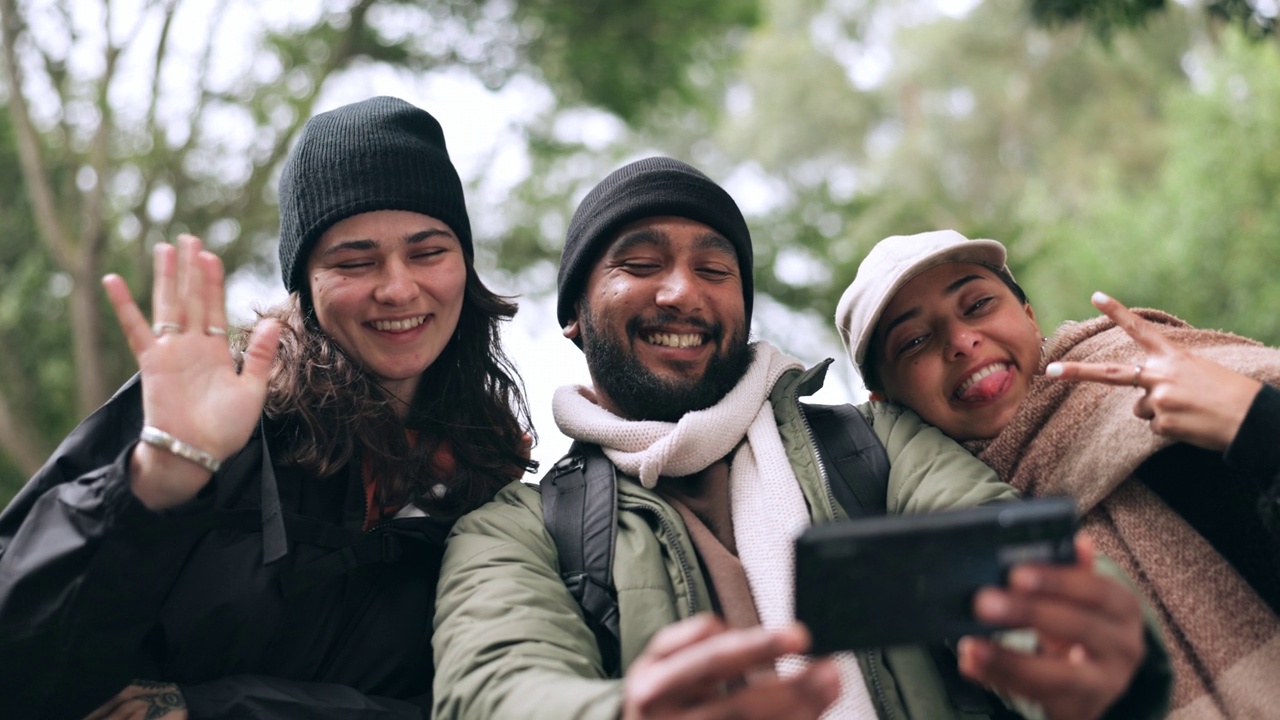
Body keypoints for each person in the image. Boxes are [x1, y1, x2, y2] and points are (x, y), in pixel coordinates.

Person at [433, 158, 1172, 720]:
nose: (683, 291)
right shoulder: (515, 531)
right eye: (641, 263)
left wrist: (1094, 660)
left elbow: (1005, 574)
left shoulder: (878, 444)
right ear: (573, 316)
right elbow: (497, 685)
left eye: (714, 269)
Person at [0, 96, 535, 719]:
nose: (396, 288)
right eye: (353, 261)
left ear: (464, 267)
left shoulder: (488, 478)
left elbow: (475, 704)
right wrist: (153, 484)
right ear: (303, 284)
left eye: (428, 252)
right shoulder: (202, 410)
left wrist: (227, 708)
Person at [835, 228, 1280, 717]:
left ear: (1029, 317)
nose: (962, 341)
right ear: (887, 402)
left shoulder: (1168, 383)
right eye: (915, 340)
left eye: (978, 304)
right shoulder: (953, 534)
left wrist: (1256, 423)